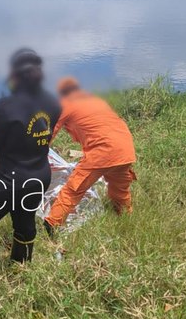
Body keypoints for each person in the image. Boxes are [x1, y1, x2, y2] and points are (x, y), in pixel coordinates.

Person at [0, 48, 61, 278]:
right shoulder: (53, 101)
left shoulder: (8, 105)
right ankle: (21, 265)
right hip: (39, 176)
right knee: (25, 221)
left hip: (9, 179)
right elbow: (42, 132)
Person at [43, 77, 136, 235]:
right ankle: (126, 219)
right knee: (119, 189)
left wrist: (36, 152)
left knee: (74, 188)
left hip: (103, 151)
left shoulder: (66, 104)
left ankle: (52, 224)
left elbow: (49, 133)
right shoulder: (97, 101)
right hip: (125, 150)